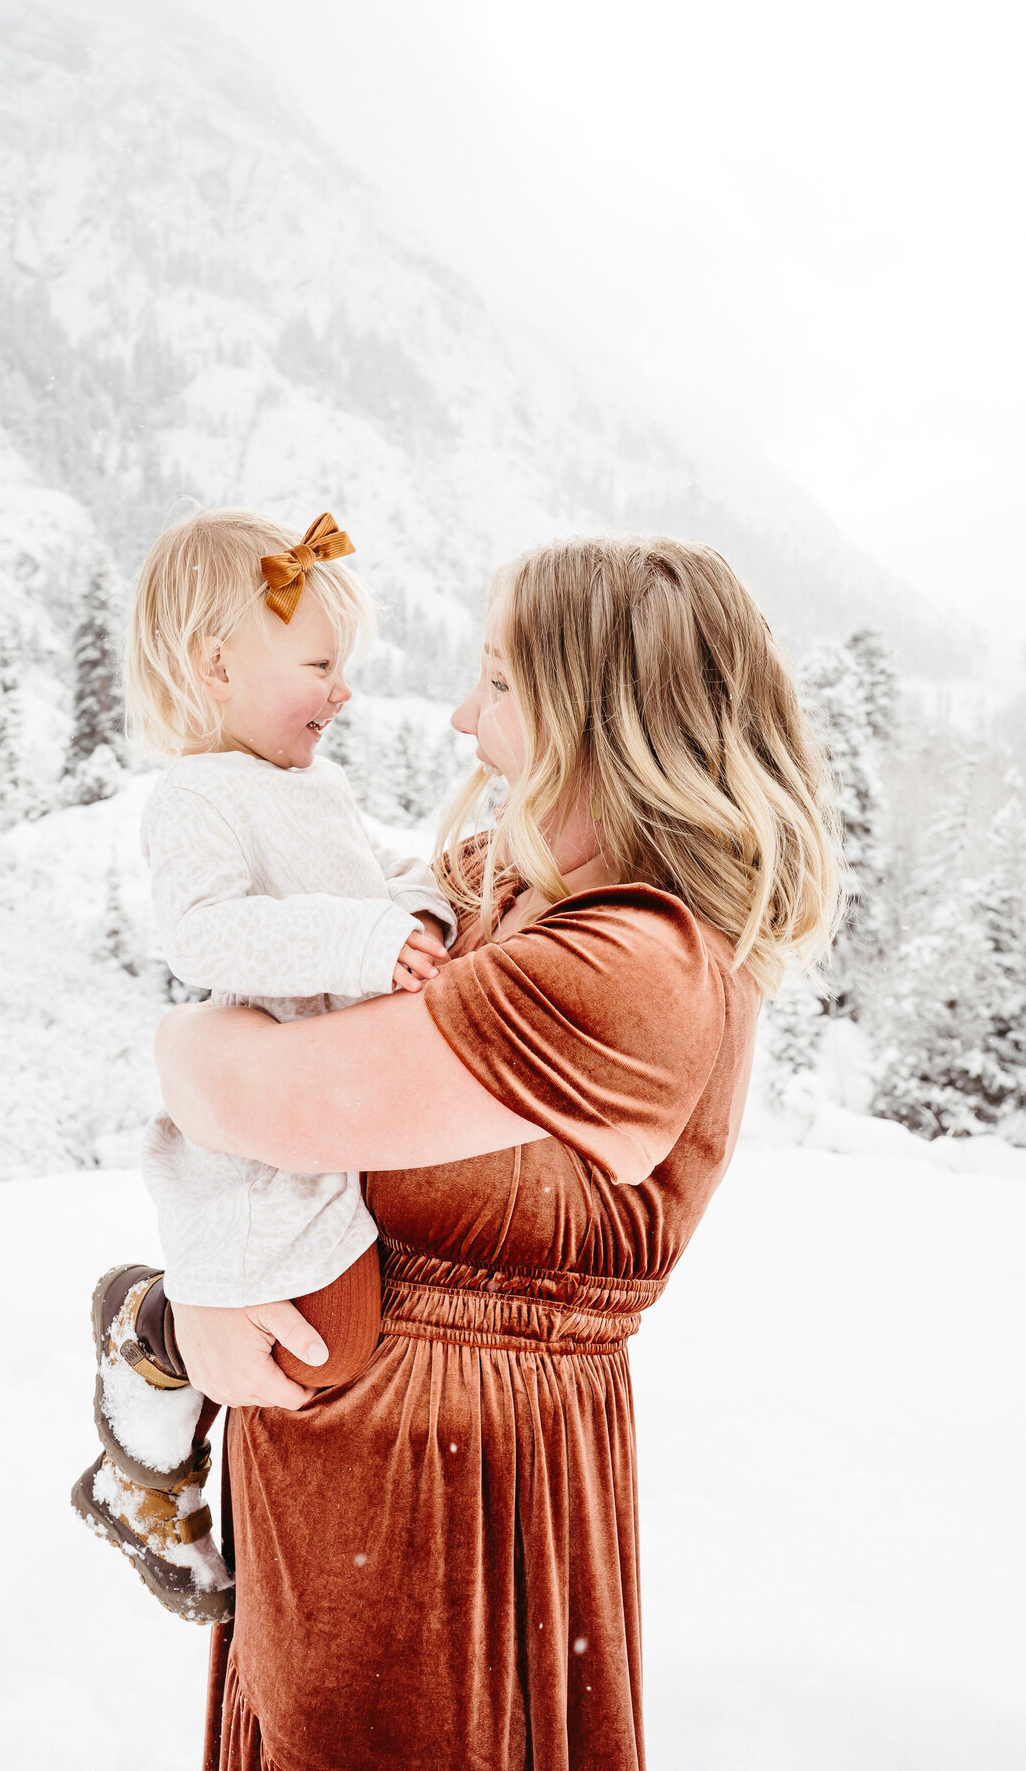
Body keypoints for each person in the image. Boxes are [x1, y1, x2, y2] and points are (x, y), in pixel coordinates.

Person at [161, 534, 843, 1771]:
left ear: (610, 715)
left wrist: (184, 1048)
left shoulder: (643, 967)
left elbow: (262, 1092)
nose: (468, 718)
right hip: (342, 1481)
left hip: (464, 1507)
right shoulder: (495, 890)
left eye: (503, 683)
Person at [70, 508, 455, 1624]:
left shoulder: (305, 788)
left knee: (321, 1341)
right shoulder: (197, 795)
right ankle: (144, 1329)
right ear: (217, 665)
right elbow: (202, 933)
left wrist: (424, 896)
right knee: (317, 1348)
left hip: (316, 1108)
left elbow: (374, 872)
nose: (343, 692)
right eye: (322, 665)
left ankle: (158, 1464)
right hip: (254, 1139)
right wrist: (361, 939)